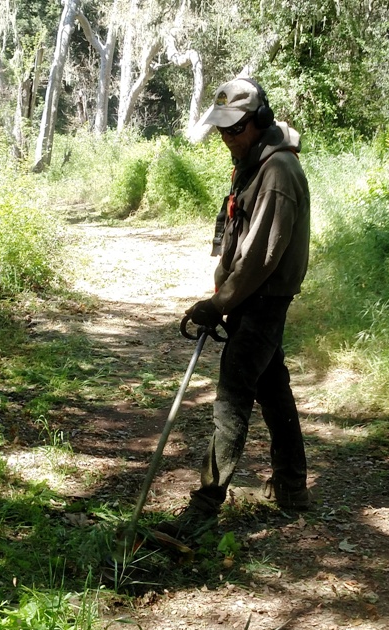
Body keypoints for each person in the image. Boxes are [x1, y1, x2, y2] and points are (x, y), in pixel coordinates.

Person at [159, 77, 312, 542]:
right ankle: (291, 488)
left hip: (262, 302)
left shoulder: (277, 172)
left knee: (232, 399)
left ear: (259, 121)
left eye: (235, 129)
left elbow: (261, 256)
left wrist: (219, 302)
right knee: (273, 389)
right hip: (248, 300)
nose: (227, 138)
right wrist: (222, 288)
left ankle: (203, 509)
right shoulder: (250, 162)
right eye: (222, 131)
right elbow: (235, 238)